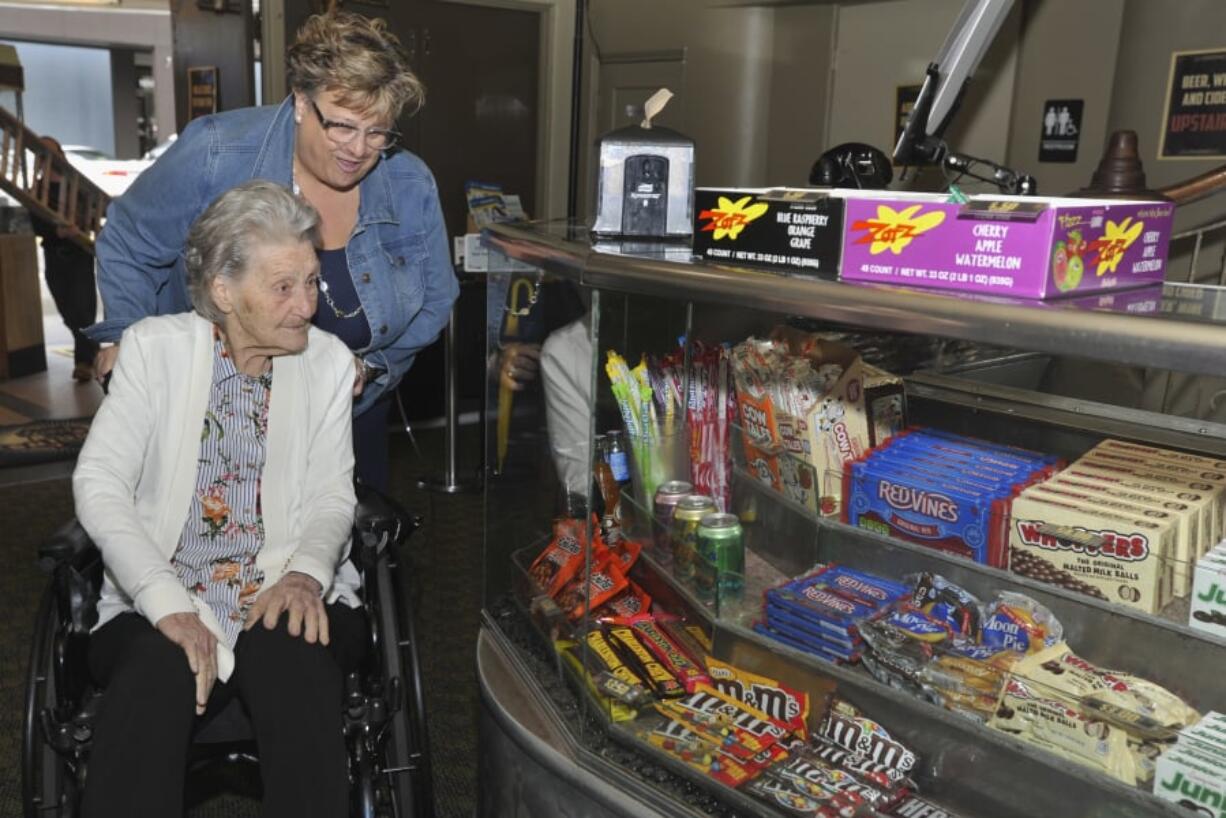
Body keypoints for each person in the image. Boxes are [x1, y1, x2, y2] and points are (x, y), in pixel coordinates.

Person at [74, 181, 365, 817]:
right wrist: (166, 603)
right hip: (158, 589)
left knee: (296, 656)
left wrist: (305, 577)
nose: (306, 305)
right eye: (283, 286)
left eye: (312, 282)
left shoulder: (329, 364)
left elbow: (331, 498)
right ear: (224, 291)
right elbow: (98, 483)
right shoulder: (155, 351)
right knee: (157, 668)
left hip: (279, 585)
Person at [86, 10, 459, 490]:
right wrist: (123, 339)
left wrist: (373, 369)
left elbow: (436, 300)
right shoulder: (217, 152)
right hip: (209, 409)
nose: (358, 149)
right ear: (302, 101)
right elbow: (126, 240)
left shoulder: (410, 184)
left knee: (336, 551)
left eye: (378, 132)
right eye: (342, 126)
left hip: (343, 417)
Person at [29, 136, 99, 382]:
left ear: (61, 155)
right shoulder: (37, 190)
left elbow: (92, 216)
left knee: (82, 308)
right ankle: (92, 348)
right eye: (43, 153)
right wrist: (58, 232)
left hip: (79, 254)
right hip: (54, 256)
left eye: (53, 152)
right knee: (67, 311)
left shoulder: (77, 186)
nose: (50, 158)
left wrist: (82, 226)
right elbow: (36, 224)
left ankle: (84, 362)